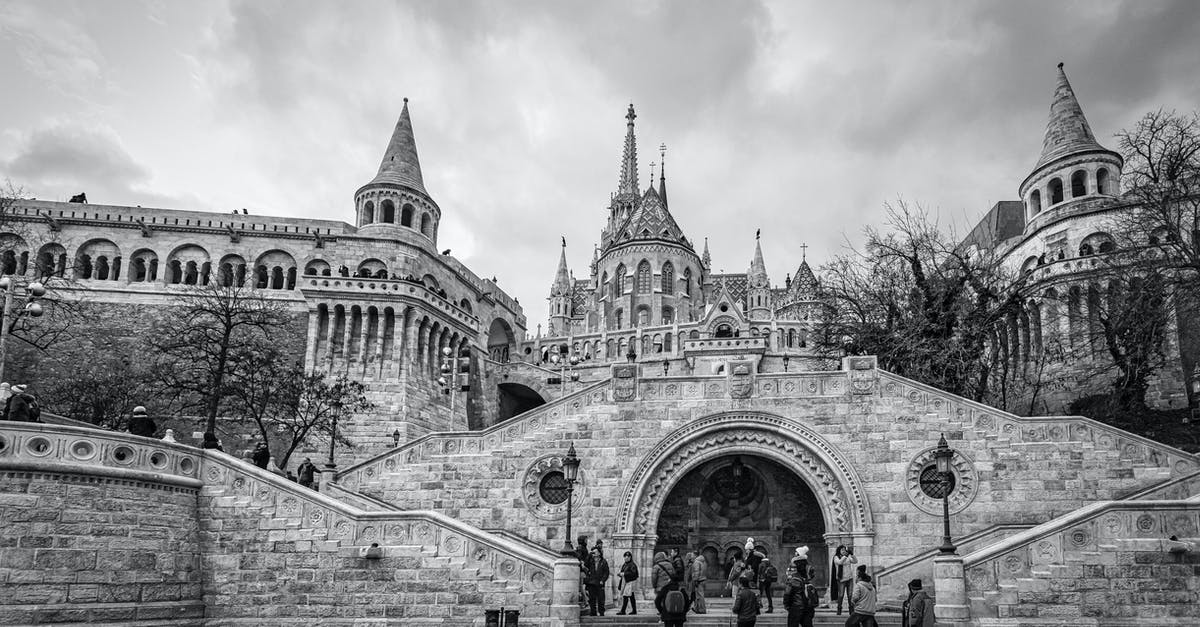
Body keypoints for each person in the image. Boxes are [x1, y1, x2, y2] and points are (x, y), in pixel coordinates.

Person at [584, 545, 609, 616]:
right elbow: (585, 565)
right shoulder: (590, 561)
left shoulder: (603, 562)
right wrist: (589, 555)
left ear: (599, 553)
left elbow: (606, 572)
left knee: (601, 599)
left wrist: (603, 580)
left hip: (600, 583)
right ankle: (593, 612)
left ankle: (601, 612)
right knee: (592, 599)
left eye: (595, 552)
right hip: (591, 582)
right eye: (593, 552)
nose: (594, 553)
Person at [831, 545, 857, 615]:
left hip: (849, 578)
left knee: (850, 595)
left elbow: (855, 561)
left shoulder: (847, 557)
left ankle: (851, 609)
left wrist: (852, 555)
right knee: (841, 595)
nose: (844, 551)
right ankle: (839, 609)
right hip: (841, 579)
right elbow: (840, 562)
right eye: (842, 550)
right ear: (839, 550)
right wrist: (845, 556)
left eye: (844, 550)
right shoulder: (836, 557)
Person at [616, 551, 639, 615]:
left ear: (630, 557)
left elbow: (634, 573)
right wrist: (620, 574)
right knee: (631, 597)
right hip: (625, 582)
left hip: (630, 582)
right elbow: (623, 572)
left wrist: (624, 574)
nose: (626, 557)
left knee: (626, 596)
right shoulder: (625, 564)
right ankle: (634, 610)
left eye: (628, 556)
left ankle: (623, 611)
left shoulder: (632, 564)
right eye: (625, 556)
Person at [689, 548, 708, 613]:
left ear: (695, 555)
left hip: (699, 580)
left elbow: (696, 572)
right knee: (698, 595)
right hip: (703, 579)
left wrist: (695, 580)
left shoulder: (696, 562)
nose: (691, 557)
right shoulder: (703, 561)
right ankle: (697, 608)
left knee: (700, 596)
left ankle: (702, 609)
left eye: (692, 555)